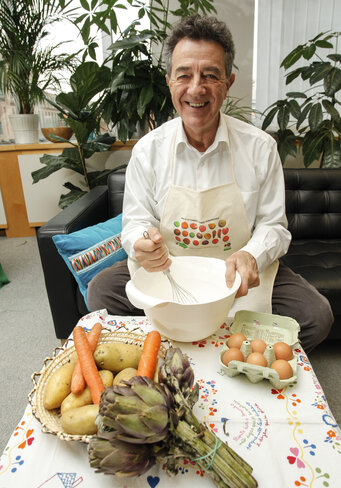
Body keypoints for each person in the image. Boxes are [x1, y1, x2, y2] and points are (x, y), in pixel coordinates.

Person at [87, 15, 333, 353]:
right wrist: (142, 243)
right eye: (184, 75)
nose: (196, 88)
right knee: (101, 291)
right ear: (170, 81)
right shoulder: (148, 150)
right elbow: (136, 223)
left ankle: (233, 355)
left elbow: (275, 227)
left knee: (316, 315)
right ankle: (181, 349)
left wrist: (251, 255)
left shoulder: (260, 148)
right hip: (171, 271)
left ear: (228, 82)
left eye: (210, 75)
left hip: (237, 275)